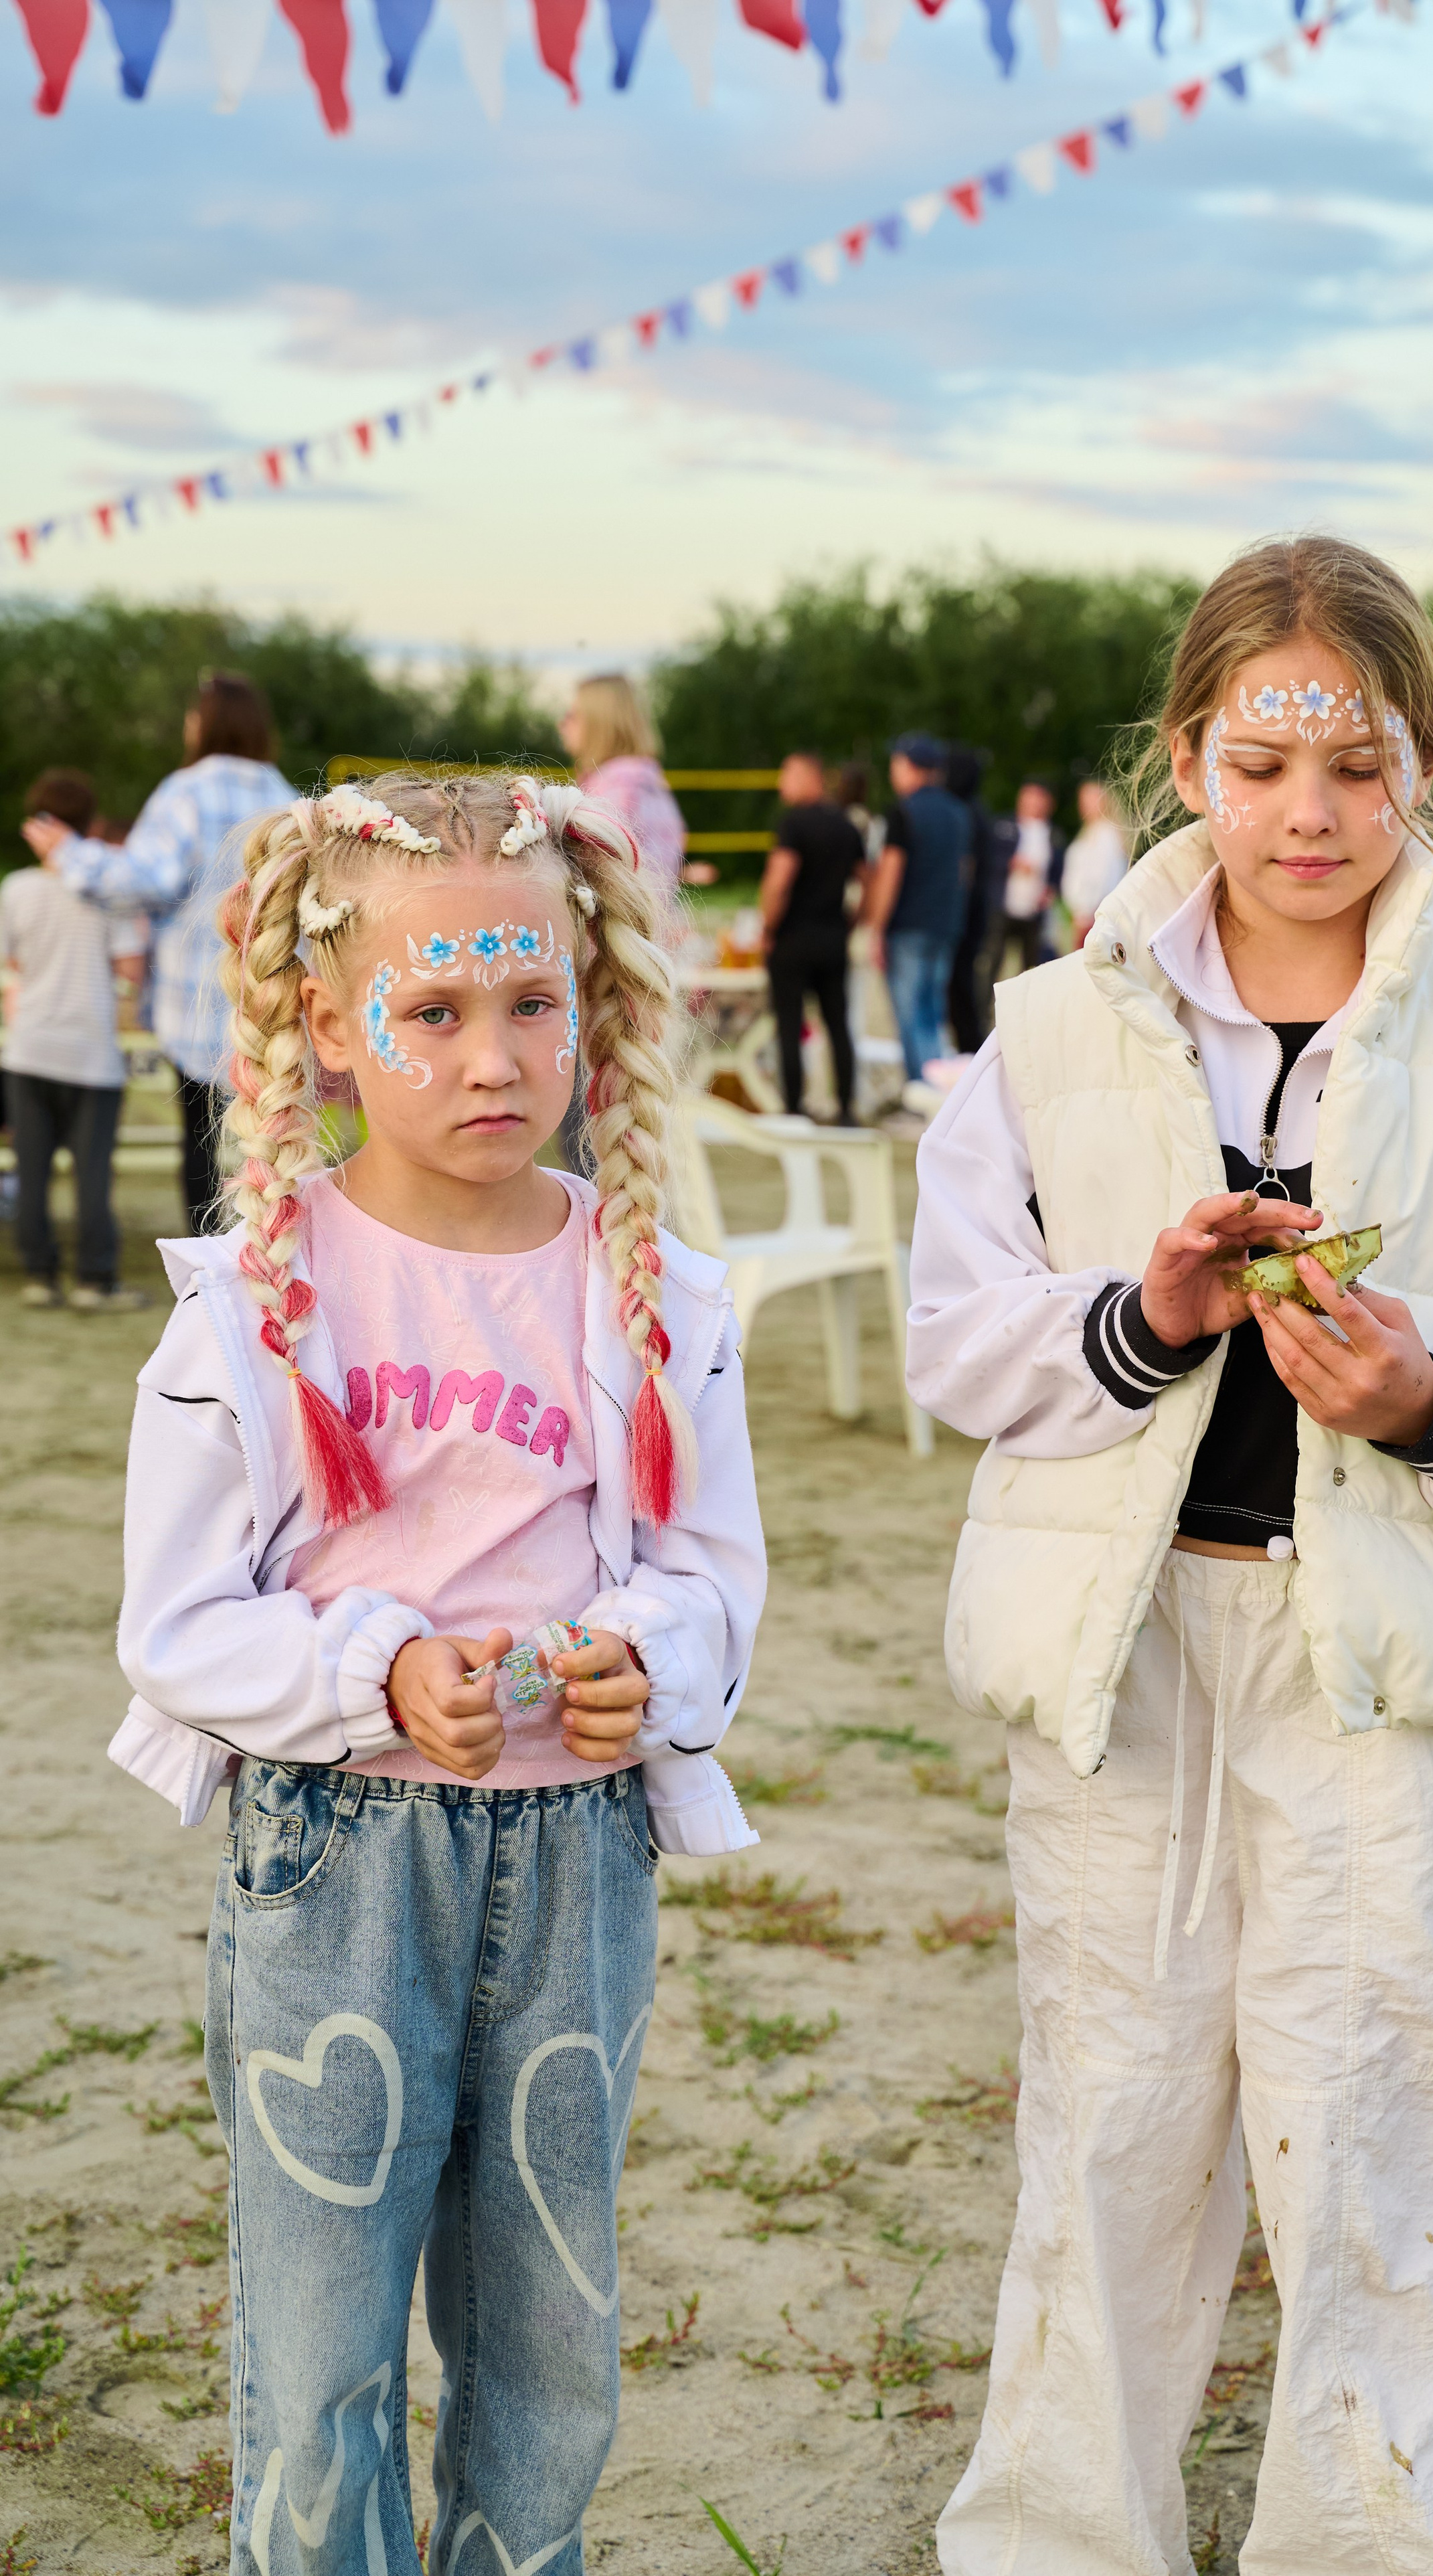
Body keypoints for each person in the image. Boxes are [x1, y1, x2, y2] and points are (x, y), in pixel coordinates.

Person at [906, 534, 1433, 2576]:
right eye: (1260, 765)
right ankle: (1063, 2535)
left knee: (1369, 2107)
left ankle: (1370, 2539)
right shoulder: (1048, 1030)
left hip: (1376, 1662)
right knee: (1111, 2102)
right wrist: (1145, 1311)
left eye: (1354, 765)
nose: (1306, 815)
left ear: (1421, 760)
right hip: (1115, 1649)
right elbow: (956, 1330)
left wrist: (1426, 1394)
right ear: (1184, 760)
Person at [106, 769, 766, 2576]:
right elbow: (176, 1624)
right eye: (436, 1010)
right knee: (323, 2347)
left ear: (590, 1003)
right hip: (335, 1865)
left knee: (546, 2336)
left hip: (577, 1873)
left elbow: (714, 1570)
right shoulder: (250, 1304)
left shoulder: (652, 1296)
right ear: (328, 1026)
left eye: (533, 1002)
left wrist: (653, 1660)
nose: (494, 1058)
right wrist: (375, 1672)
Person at [21, 671, 294, 1236]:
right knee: (265, 1138)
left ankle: (206, 1259)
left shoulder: (186, 790)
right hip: (267, 992)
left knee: (197, 1138)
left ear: (206, 723)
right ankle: (267, 1247)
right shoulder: (283, 795)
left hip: (195, 997)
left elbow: (143, 880)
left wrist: (72, 854)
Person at [3, 769, 149, 1311]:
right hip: (93, 1054)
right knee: (92, 1174)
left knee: (33, 1170)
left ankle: (41, 1276)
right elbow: (131, 969)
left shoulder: (16, 890)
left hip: (30, 1048)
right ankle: (95, 1280)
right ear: (91, 827)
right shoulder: (108, 894)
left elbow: (11, 960)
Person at [759, 750, 865, 1125]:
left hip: (792, 939)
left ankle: (793, 1108)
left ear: (810, 777)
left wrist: (768, 928)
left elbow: (779, 881)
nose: (781, 784)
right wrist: (852, 922)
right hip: (833, 937)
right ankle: (848, 1107)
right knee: (838, 1024)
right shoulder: (847, 826)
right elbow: (867, 881)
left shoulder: (794, 824)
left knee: (789, 1024)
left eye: (787, 775)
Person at [862, 733, 972, 1088]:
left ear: (910, 767)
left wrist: (875, 928)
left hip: (907, 926)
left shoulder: (903, 811)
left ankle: (922, 1093)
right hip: (945, 925)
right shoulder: (959, 813)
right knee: (933, 1014)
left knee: (910, 1014)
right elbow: (964, 873)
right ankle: (941, 1091)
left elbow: (890, 874)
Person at [560, 672, 697, 908]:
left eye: (573, 716)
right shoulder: (647, 781)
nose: (562, 724)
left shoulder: (616, 791)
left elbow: (589, 880)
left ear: (599, 723)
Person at [943, 744, 998, 1056]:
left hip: (964, 911)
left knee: (960, 986)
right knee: (964, 984)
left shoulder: (963, 815)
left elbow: (966, 869)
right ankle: (967, 1047)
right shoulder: (978, 812)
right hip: (977, 910)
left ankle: (969, 1050)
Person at [981, 779, 1063, 985]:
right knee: (992, 961)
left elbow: (1058, 872)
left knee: (1031, 967)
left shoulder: (1053, 835)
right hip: (1004, 907)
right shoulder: (1004, 826)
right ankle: (984, 1012)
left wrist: (1051, 890)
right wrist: (1011, 863)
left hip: (1035, 911)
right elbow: (987, 859)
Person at [1060, 777, 1132, 947]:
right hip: (1083, 915)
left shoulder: (1105, 834)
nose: (1086, 804)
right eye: (1084, 799)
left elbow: (1103, 877)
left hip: (1091, 917)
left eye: (1092, 799)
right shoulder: (1090, 832)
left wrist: (1086, 911)